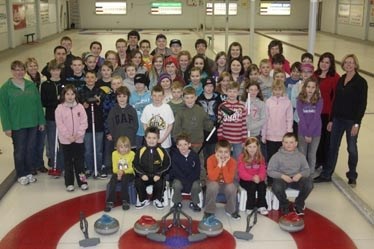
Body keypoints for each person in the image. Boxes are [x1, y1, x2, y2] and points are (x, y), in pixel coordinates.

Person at [315, 54, 367, 187]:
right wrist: (331, 120)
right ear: (343, 65)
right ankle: (327, 174)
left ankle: (352, 175)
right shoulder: (342, 79)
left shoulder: (361, 82)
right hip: (337, 119)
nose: (348, 65)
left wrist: (357, 123)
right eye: (346, 63)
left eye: (351, 63)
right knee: (333, 147)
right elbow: (335, 101)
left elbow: (362, 105)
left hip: (351, 121)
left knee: (351, 148)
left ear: (356, 65)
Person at [0, 60, 45, 185]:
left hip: (32, 123)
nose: (19, 72)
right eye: (16, 70)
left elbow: (38, 104)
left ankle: (30, 171)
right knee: (20, 150)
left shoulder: (30, 85)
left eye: (21, 70)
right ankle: (21, 173)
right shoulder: (5, 88)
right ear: (12, 71)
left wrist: (41, 121)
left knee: (30, 149)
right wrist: (7, 127)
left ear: (25, 71)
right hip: (17, 125)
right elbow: (3, 109)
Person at [173, 86, 214, 185]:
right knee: (184, 165)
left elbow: (208, 126)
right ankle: (185, 183)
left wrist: (212, 123)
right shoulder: (180, 112)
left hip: (198, 144)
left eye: (192, 97)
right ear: (183, 99)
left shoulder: (200, 110)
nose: (189, 100)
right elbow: (176, 130)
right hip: (184, 146)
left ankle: (202, 183)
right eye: (187, 98)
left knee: (199, 164)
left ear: (196, 97)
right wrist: (179, 144)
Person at [267, 132, 313, 215]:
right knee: (276, 187)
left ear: (296, 144)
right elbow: (270, 171)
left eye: (291, 142)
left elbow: (307, 170)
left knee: (309, 183)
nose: (289, 145)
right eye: (286, 142)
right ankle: (284, 204)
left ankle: (299, 204)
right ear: (282, 143)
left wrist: (300, 175)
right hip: (282, 179)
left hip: (296, 179)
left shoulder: (300, 156)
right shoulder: (277, 156)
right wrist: (282, 176)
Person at [55, 85, 88, 191]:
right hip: (66, 141)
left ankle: (82, 181)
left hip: (78, 139)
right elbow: (60, 125)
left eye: (72, 94)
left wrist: (77, 135)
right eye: (67, 94)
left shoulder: (80, 107)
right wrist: (68, 136)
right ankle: (69, 183)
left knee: (80, 162)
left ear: (75, 95)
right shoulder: (59, 109)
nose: (70, 96)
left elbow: (84, 122)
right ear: (63, 95)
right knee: (68, 162)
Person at [262, 80, 293, 185]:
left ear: (283, 90)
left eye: (279, 89)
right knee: (271, 158)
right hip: (270, 136)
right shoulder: (268, 102)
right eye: (275, 89)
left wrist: (289, 134)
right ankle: (271, 180)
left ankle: (282, 179)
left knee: (282, 158)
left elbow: (289, 118)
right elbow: (265, 119)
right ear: (272, 90)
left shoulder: (287, 102)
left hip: (283, 136)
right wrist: (264, 134)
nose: (277, 91)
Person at [134, 126, 171, 209]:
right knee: (138, 182)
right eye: (149, 138)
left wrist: (159, 174)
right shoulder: (140, 150)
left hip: (157, 176)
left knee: (161, 182)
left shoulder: (162, 151)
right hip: (144, 176)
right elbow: (135, 164)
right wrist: (142, 174)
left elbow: (167, 164)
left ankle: (157, 199)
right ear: (145, 138)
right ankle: (143, 199)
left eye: (154, 138)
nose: (151, 140)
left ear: (158, 139)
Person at [314, 52, 340, 169]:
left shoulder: (335, 77)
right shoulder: (315, 75)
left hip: (326, 113)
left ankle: (325, 162)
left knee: (325, 139)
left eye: (327, 62)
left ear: (331, 64)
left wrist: (332, 117)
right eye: (322, 61)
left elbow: (336, 98)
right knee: (316, 138)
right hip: (314, 112)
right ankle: (317, 160)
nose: (324, 64)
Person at [78, 71, 105, 177]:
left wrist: (99, 102)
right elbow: (77, 106)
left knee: (98, 149)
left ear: (96, 79)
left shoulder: (100, 91)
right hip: (86, 125)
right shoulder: (80, 92)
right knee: (88, 149)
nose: (90, 79)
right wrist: (82, 104)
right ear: (85, 79)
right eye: (87, 77)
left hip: (98, 124)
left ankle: (98, 168)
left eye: (92, 77)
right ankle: (89, 168)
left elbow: (104, 106)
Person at [204, 140, 240, 220]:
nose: (223, 155)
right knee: (213, 186)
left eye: (226, 152)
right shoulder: (210, 159)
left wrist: (224, 165)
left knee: (231, 187)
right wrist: (219, 164)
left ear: (230, 152)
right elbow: (212, 178)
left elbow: (229, 180)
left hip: (227, 183)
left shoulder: (233, 162)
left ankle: (231, 210)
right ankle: (209, 211)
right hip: (214, 182)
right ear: (215, 151)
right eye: (220, 152)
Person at [40, 60, 65, 174]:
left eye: (58, 70)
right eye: (53, 70)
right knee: (52, 142)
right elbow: (44, 102)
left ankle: (64, 163)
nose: (56, 72)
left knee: (63, 141)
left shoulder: (65, 83)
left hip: (65, 118)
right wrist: (57, 101)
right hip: (51, 118)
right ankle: (55, 165)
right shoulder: (45, 85)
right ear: (50, 71)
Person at [296, 77, 323, 175]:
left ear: (316, 88)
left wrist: (310, 134)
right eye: (308, 87)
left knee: (312, 154)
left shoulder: (319, 100)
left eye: (313, 87)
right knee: (302, 154)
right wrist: (306, 133)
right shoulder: (300, 100)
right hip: (302, 132)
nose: (310, 89)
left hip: (315, 132)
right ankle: (302, 174)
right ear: (304, 88)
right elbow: (301, 117)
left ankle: (310, 174)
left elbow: (316, 118)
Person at [170, 133, 202, 211]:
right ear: (177, 146)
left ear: (189, 145)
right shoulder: (175, 156)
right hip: (179, 178)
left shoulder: (194, 156)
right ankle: (177, 203)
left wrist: (190, 180)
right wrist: (184, 181)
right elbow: (175, 171)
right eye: (180, 145)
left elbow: (197, 170)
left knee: (196, 186)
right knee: (177, 185)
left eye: (185, 144)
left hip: (192, 179)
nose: (183, 147)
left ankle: (194, 203)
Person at [238, 137, 268, 215]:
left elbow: (263, 170)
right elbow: (241, 172)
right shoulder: (242, 157)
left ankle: (261, 205)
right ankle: (249, 207)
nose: (252, 149)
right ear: (245, 147)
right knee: (252, 186)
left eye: (254, 147)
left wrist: (260, 177)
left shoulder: (261, 158)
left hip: (258, 178)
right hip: (245, 180)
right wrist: (252, 178)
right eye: (250, 147)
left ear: (258, 147)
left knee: (262, 186)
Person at [104, 136, 136, 212]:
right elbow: (114, 168)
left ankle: (125, 200)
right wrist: (118, 173)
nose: (124, 149)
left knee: (125, 179)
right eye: (121, 147)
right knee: (113, 180)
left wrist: (123, 172)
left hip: (129, 173)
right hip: (118, 173)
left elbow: (132, 168)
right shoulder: (114, 154)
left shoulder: (132, 154)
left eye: (126, 147)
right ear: (117, 147)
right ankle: (110, 201)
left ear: (129, 147)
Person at [217, 81, 247, 160]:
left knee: (238, 158)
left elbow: (244, 124)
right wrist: (220, 137)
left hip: (238, 139)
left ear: (238, 92)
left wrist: (244, 139)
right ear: (226, 92)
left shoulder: (242, 106)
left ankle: (236, 173)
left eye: (234, 91)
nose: (232, 94)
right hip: (226, 138)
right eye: (230, 91)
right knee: (225, 158)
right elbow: (220, 124)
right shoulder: (222, 106)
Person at [141, 85, 175, 151]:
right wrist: (149, 138)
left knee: (165, 161)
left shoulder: (167, 108)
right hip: (150, 142)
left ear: (163, 96)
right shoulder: (147, 108)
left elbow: (170, 125)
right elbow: (144, 124)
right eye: (154, 95)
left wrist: (162, 139)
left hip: (165, 143)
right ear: (151, 96)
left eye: (159, 95)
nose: (157, 98)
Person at [107, 86, 138, 150]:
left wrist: (131, 134)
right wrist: (114, 136)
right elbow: (110, 125)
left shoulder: (132, 110)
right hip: (118, 142)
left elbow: (136, 125)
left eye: (124, 96)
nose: (122, 99)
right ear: (116, 97)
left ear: (128, 97)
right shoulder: (113, 110)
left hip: (131, 142)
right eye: (119, 96)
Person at [129, 74, 151, 148]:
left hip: (148, 128)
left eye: (141, 83)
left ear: (145, 84)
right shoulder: (131, 96)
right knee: (138, 149)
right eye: (137, 83)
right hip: (137, 129)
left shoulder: (150, 95)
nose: (139, 85)